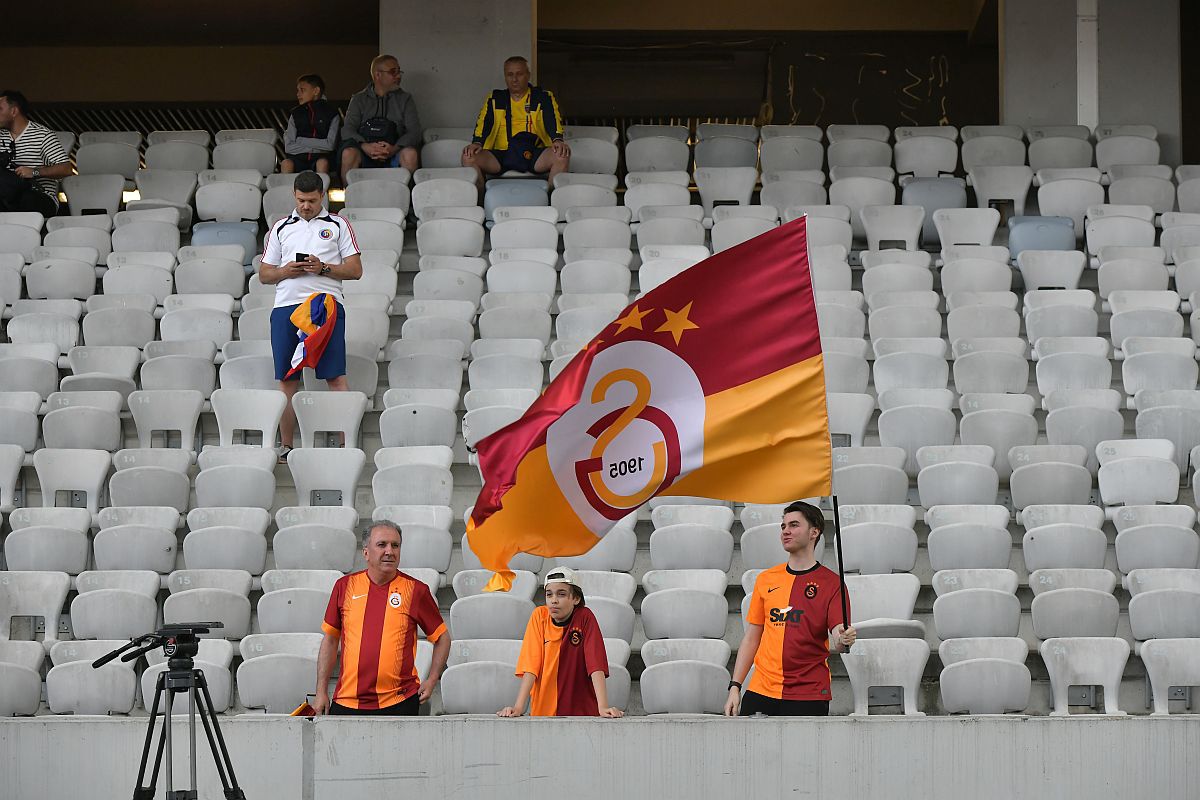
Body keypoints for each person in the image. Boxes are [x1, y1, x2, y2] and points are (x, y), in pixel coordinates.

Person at [258, 170, 362, 460]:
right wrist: (284, 271)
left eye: (312, 201)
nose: (306, 206)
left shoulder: (338, 224)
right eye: (302, 200)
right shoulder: (280, 227)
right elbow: (264, 274)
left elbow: (355, 270)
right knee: (287, 379)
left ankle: (346, 444)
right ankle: (287, 445)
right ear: (294, 195)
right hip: (286, 308)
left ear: (323, 197)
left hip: (325, 305)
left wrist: (323, 268)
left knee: (335, 377)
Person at [723, 501, 857, 717]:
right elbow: (752, 638)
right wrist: (735, 686)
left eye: (794, 525)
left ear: (814, 532)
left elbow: (839, 638)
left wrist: (844, 639)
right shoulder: (766, 579)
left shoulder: (832, 584)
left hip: (810, 693)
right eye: (783, 526)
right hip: (761, 689)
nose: (786, 531)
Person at [315, 521, 451, 716]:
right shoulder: (344, 587)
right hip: (348, 702)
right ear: (366, 552)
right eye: (382, 545)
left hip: (399, 702)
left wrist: (432, 679)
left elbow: (442, 638)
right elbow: (329, 640)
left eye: (395, 545)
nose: (390, 551)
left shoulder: (416, 591)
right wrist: (321, 691)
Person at [497, 566, 623, 718]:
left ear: (576, 598)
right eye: (549, 595)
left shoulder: (585, 617)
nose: (554, 600)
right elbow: (531, 666)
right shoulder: (539, 616)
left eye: (561, 594)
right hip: (544, 713)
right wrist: (519, 707)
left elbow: (595, 664)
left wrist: (603, 707)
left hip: (582, 714)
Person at [462, 56, 570, 187]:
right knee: (469, 157)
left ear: (528, 75)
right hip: (502, 153)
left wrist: (557, 139)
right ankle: (480, 201)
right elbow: (485, 122)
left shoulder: (542, 97)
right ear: (505, 76)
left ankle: (552, 200)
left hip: (533, 152)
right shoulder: (496, 98)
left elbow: (552, 119)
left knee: (561, 156)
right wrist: (477, 142)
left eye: (519, 74)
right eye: (510, 74)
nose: (514, 79)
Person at [340, 54, 421, 177]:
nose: (398, 76)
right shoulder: (359, 99)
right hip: (365, 152)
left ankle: (408, 196)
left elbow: (414, 132)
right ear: (378, 75)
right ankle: (350, 195)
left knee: (410, 154)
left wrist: (394, 148)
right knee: (348, 153)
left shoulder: (405, 99)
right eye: (393, 72)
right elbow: (347, 130)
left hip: (394, 151)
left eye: (399, 72)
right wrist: (365, 146)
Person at [0, 90, 72, 216]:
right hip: (6, 196)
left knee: (23, 199)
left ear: (13, 111)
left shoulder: (42, 135)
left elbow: (66, 169)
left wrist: (34, 172)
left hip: (39, 198)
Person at [281, 74, 340, 175]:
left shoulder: (331, 113)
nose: (298, 94)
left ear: (316, 91)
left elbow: (330, 145)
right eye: (298, 90)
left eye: (302, 90)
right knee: (286, 163)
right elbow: (289, 146)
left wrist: (300, 140)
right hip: (298, 158)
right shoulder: (295, 114)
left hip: (321, 158)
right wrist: (319, 147)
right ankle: (287, 191)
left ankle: (322, 190)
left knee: (322, 163)